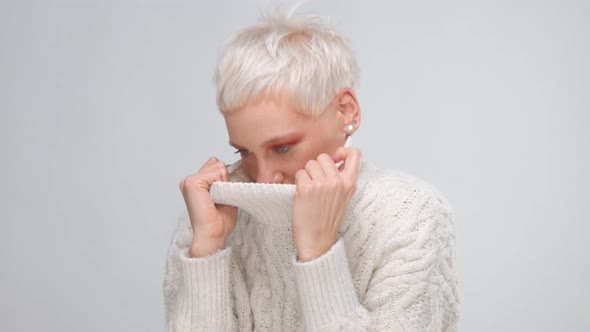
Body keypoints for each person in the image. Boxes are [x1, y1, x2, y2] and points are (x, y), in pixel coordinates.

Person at [163, 8, 460, 332]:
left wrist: (318, 253)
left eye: (283, 147)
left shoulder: (411, 217)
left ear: (345, 111)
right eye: (244, 151)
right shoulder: (211, 217)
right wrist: (208, 246)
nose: (264, 178)